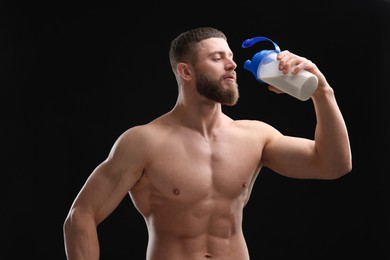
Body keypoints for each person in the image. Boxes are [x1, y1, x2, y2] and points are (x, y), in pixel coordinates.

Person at [63, 26, 352, 260]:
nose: (232, 64)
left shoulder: (254, 136)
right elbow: (81, 215)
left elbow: (333, 164)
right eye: (217, 58)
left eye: (230, 57)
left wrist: (322, 92)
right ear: (186, 72)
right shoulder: (143, 142)